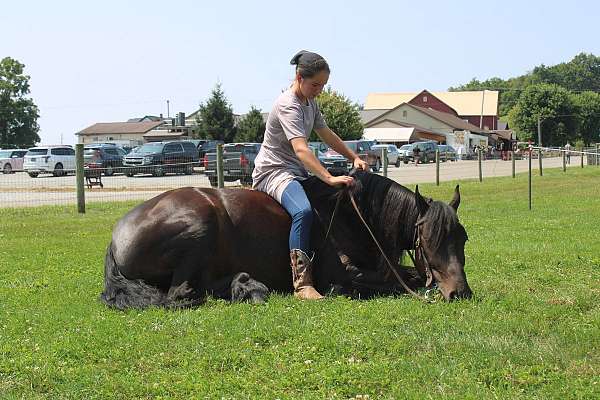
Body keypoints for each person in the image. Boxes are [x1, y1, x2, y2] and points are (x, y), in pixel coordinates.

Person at [252, 50, 369, 300]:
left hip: (295, 172)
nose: (319, 90)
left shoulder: (310, 103)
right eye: (315, 84)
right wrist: (328, 178)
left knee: (341, 198)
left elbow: (327, 134)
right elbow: (301, 149)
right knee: (303, 211)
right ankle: (302, 284)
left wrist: (354, 157)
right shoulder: (287, 105)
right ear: (299, 77)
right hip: (274, 172)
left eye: (323, 85)